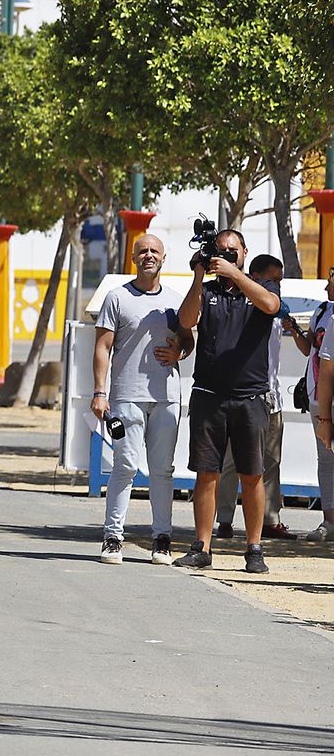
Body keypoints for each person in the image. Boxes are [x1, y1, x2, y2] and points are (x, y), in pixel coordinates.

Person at [173, 229, 280, 574]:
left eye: (233, 251)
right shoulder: (207, 291)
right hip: (209, 396)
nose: (228, 256)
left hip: (251, 397)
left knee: (252, 474)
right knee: (207, 473)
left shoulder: (262, 286)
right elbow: (186, 320)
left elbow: (271, 306)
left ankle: (254, 549)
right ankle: (201, 547)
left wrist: (235, 274)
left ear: (245, 252)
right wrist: (198, 275)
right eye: (222, 252)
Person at [90, 234, 187, 567]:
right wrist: (99, 392)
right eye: (143, 251)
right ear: (133, 258)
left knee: (163, 470)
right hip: (126, 397)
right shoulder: (117, 298)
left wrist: (180, 351)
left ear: (163, 257)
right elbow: (102, 347)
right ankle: (113, 537)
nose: (149, 255)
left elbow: (188, 340)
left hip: (166, 398)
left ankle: (162, 539)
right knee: (125, 466)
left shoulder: (175, 301)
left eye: (154, 251)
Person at [216, 254, 292, 540]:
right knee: (230, 461)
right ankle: (225, 518)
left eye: (280, 281)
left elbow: (282, 311)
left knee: (270, 460)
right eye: (272, 279)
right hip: (243, 394)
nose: (277, 286)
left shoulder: (275, 307)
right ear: (255, 276)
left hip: (272, 396)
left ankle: (270, 519)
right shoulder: (242, 304)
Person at [299, 268, 334, 543]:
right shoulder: (323, 312)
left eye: (330, 281)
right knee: (326, 460)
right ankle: (329, 520)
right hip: (319, 399)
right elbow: (314, 354)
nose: (326, 287)